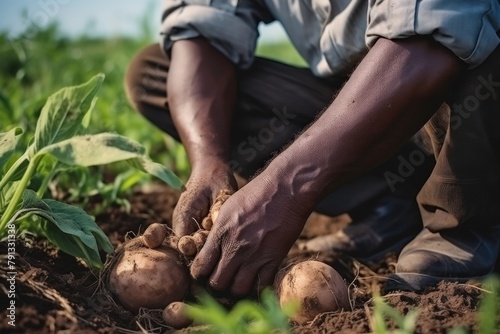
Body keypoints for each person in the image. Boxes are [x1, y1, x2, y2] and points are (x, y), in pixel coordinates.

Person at [125, 0, 500, 295]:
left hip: (454, 82)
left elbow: (432, 36)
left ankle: (465, 222)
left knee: (467, 38)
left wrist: (285, 188)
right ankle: (391, 205)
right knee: (155, 72)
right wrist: (208, 161)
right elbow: (201, 29)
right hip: (381, 110)